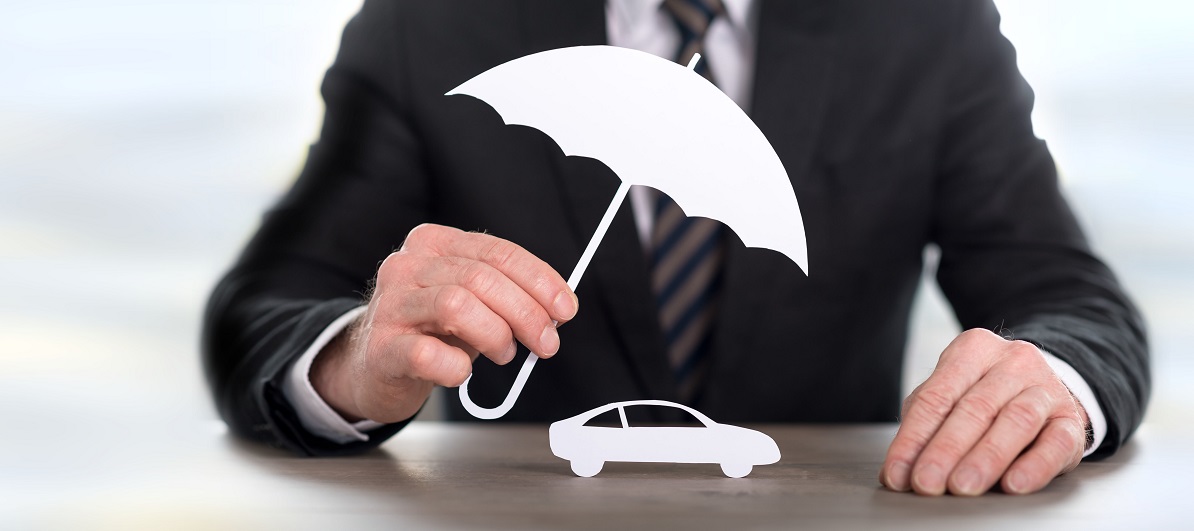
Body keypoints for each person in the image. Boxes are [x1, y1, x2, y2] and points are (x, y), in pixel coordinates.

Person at [202, 0, 1148, 497]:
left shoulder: (926, 25)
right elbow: (261, 308)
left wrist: (1054, 378)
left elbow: (1073, 300)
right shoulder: (431, 20)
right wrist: (357, 356)